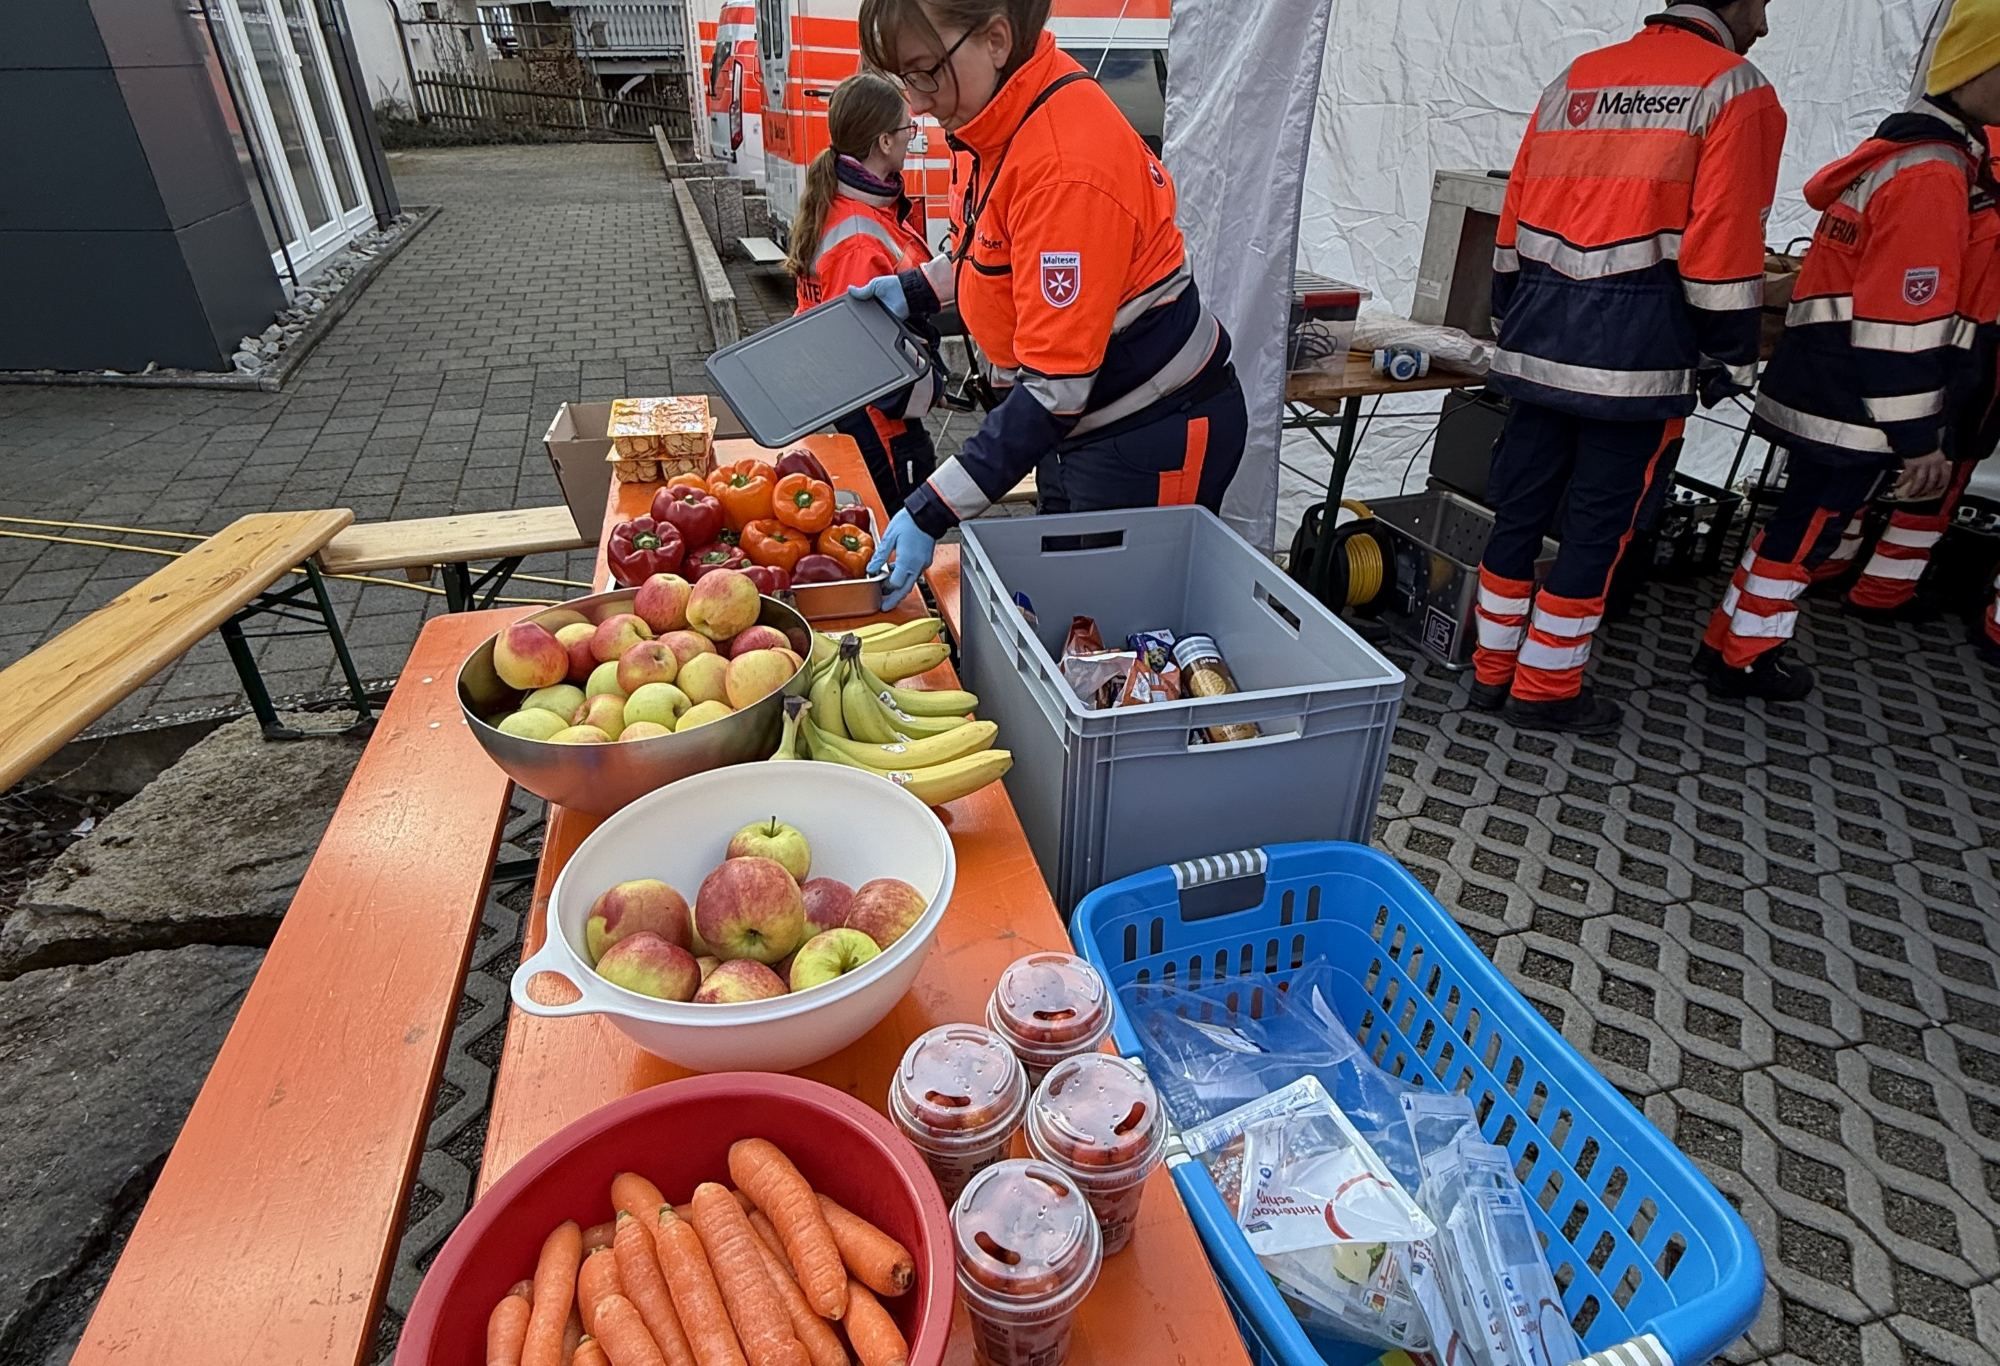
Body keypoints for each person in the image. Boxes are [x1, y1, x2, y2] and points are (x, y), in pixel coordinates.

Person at [848, 0, 1249, 606]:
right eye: (903, 79)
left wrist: (930, 510)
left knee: (1129, 635)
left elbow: (1055, 390)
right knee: (1077, 616)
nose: (918, 102)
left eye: (926, 71)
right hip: (1078, 429)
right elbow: (994, 251)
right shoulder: (991, 124)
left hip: (1147, 434)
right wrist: (913, 290)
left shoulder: (1066, 166)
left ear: (997, 40)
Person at [1470, 1, 1786, 736]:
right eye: (1765, 5)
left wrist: (1509, 317)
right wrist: (1731, 354)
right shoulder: (1736, 89)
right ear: (1736, 3)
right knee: (1597, 532)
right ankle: (1544, 691)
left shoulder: (1574, 80)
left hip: (1537, 338)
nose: (1765, 24)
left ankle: (1490, 673)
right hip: (1637, 362)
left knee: (1517, 513)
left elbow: (1512, 218)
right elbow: (1724, 241)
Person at [1697, 0, 2000, 698]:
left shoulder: (1904, 157)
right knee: (1806, 535)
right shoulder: (1932, 176)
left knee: (1796, 529)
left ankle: (1730, 641)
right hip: (1855, 405)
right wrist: (1920, 438)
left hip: (1824, 385)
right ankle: (1742, 657)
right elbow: (1903, 323)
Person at [786, 72, 940, 511]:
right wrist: (935, 385)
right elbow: (870, 361)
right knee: (898, 541)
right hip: (882, 427)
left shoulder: (842, 205)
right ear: (884, 142)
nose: (913, 137)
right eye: (907, 128)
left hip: (858, 419)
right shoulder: (860, 238)